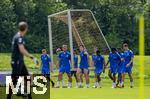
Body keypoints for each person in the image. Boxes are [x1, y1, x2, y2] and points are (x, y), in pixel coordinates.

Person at [8, 22, 39, 99]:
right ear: (26, 29)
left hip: (20, 62)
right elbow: (22, 50)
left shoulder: (17, 36)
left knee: (27, 79)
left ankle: (29, 96)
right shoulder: (19, 37)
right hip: (17, 62)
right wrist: (32, 57)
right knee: (14, 81)